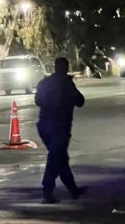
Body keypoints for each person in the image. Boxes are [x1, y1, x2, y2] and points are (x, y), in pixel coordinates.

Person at [35, 57, 87, 204]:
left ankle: (73, 189)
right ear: (66, 68)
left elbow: (38, 100)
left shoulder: (45, 82)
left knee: (61, 158)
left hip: (44, 125)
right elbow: (80, 101)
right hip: (59, 127)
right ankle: (47, 192)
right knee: (55, 159)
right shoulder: (65, 83)